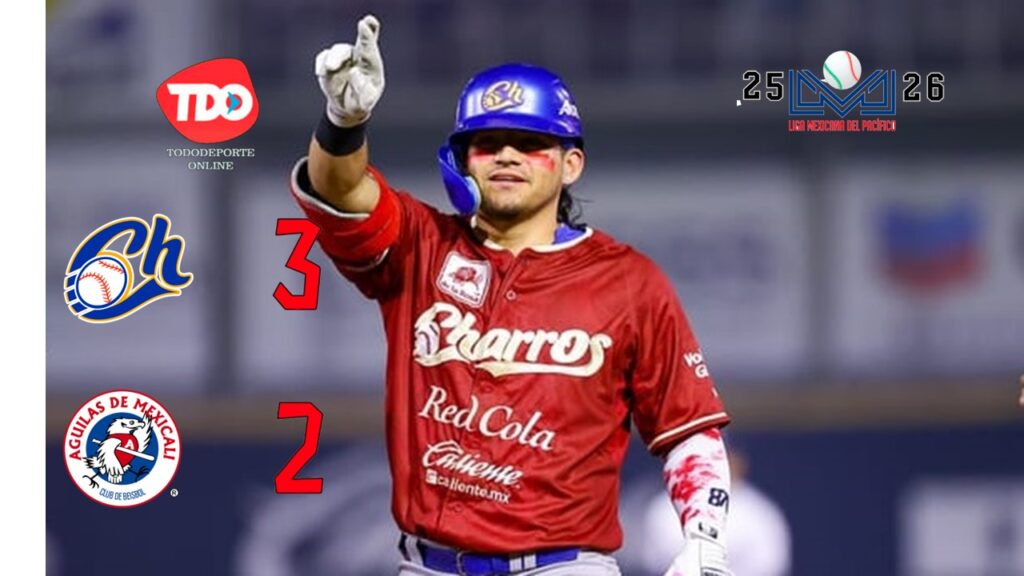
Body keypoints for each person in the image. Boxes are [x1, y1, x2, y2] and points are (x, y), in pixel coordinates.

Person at [291, 15, 733, 576]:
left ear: (571, 164)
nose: (506, 155)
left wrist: (704, 538)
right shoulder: (420, 245)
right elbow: (340, 186)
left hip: (563, 566)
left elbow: (688, 431)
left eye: (530, 143)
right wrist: (343, 122)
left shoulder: (629, 281)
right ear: (462, 160)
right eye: (487, 143)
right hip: (428, 565)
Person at [642, 446, 792, 576]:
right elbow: (654, 563)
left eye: (725, 456)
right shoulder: (665, 506)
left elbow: (771, 566)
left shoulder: (760, 512)